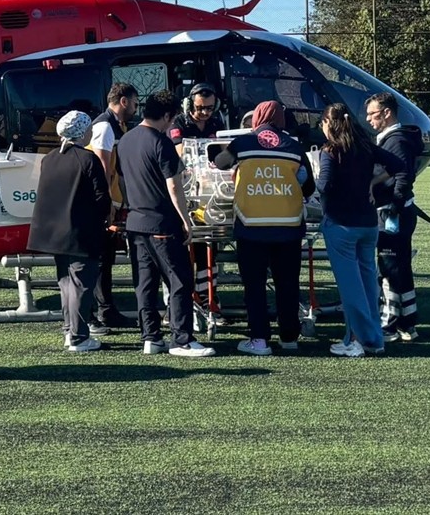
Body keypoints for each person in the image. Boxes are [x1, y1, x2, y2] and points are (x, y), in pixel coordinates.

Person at [115, 89, 216, 357]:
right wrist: (186, 220)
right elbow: (174, 185)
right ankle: (181, 339)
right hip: (161, 222)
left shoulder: (125, 140)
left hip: (136, 222)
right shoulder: (161, 143)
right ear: (169, 115)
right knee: (180, 279)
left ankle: (151, 336)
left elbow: (122, 180)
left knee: (145, 283)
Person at [213, 101, 315, 356]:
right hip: (288, 226)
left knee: (255, 286)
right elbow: (309, 186)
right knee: (288, 283)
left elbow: (220, 162)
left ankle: (259, 339)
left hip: (252, 225)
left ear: (256, 118)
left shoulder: (243, 143)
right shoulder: (294, 147)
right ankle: (289, 336)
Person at [315, 102, 405, 358]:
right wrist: (371, 183)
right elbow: (398, 165)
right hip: (367, 224)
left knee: (350, 287)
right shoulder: (365, 147)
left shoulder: (331, 151)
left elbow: (324, 185)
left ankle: (356, 339)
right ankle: (374, 339)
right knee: (368, 283)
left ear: (328, 125)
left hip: (341, 224)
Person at [28, 110, 112, 353]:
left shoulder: (50, 158)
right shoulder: (87, 159)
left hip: (53, 232)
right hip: (80, 231)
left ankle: (70, 330)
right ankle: (77, 336)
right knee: (82, 285)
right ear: (82, 131)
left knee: (66, 283)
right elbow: (101, 197)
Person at [366, 91, 425, 342]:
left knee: (389, 269)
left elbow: (402, 176)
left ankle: (389, 325)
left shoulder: (396, 141)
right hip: (399, 211)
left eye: (372, 114)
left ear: (387, 113)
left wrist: (394, 205)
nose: (368, 119)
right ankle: (407, 323)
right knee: (400, 269)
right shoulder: (396, 138)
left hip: (392, 213)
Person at [168, 82, 228, 320]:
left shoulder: (216, 121)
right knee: (185, 253)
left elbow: (223, 151)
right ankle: (183, 303)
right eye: (201, 108)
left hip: (211, 190)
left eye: (210, 108)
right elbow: (180, 152)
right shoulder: (179, 123)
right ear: (189, 104)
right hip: (186, 191)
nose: (206, 113)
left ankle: (209, 298)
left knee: (208, 250)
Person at [87, 82, 141, 333]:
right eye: (135, 103)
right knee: (98, 261)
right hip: (100, 204)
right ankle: (97, 313)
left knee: (106, 260)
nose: (136, 108)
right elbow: (103, 169)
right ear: (124, 101)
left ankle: (106, 310)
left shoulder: (116, 124)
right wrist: (107, 206)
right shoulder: (104, 126)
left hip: (110, 202)